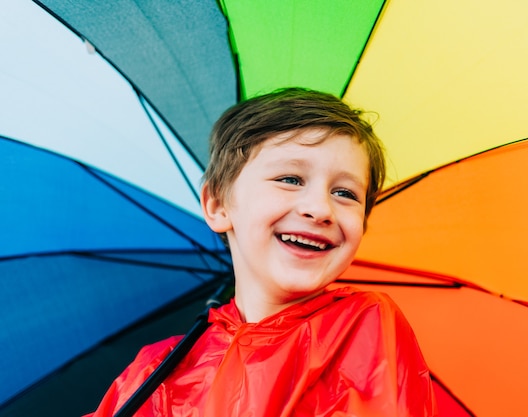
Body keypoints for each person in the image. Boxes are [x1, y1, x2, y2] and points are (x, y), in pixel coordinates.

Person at [86, 88, 437, 416]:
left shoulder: (363, 325)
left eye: (345, 193)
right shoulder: (157, 369)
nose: (320, 209)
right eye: (290, 179)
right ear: (219, 205)